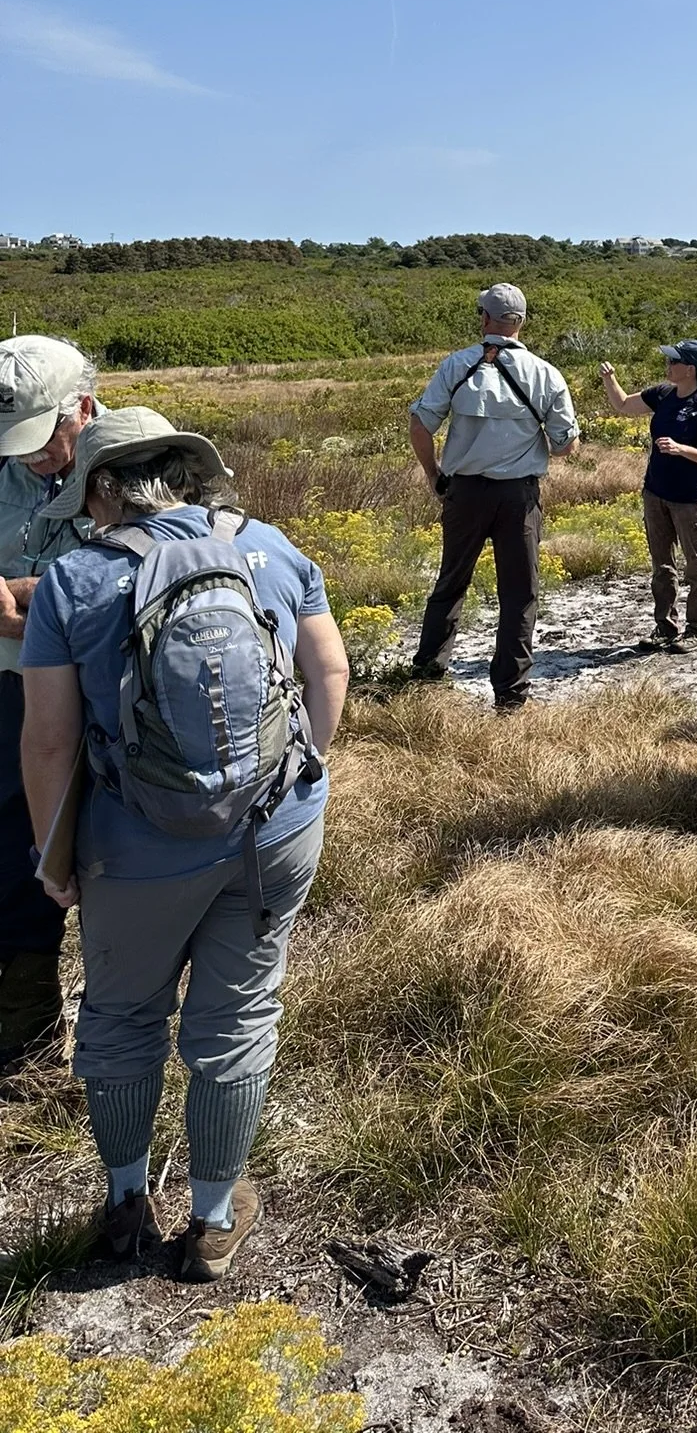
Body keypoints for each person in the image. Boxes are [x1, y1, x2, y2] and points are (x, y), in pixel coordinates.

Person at [19, 409, 350, 1279]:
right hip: (272, 831)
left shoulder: (73, 579)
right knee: (237, 1016)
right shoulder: (274, 548)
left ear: (103, 488)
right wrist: (299, 774)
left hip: (135, 846)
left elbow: (49, 742)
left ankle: (127, 1203)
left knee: (123, 1017)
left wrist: (54, 862)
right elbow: (331, 673)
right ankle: (210, 1219)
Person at [0, 335, 100, 1078]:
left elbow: (147, 574)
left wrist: (33, 598)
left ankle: (106, 1043)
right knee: (13, 845)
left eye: (43, 441)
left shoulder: (137, 455)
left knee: (93, 854)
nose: (30, 459)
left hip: (103, 696)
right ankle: (27, 1026)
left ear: (85, 411)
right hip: (11, 690)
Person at [409, 285, 580, 710]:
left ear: (485, 319)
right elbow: (565, 446)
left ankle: (427, 675)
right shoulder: (546, 373)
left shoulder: (457, 365)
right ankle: (510, 694)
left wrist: (434, 476)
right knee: (520, 594)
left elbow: (420, 424)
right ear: (521, 322)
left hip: (463, 492)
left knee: (450, 583)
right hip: (518, 497)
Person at [599, 340, 697, 650]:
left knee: (696, 566)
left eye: (674, 361)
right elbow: (624, 405)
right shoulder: (663, 394)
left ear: (690, 370)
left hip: (691, 499)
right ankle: (665, 626)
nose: (668, 366)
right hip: (656, 493)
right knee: (662, 565)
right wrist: (608, 378)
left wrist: (681, 450)